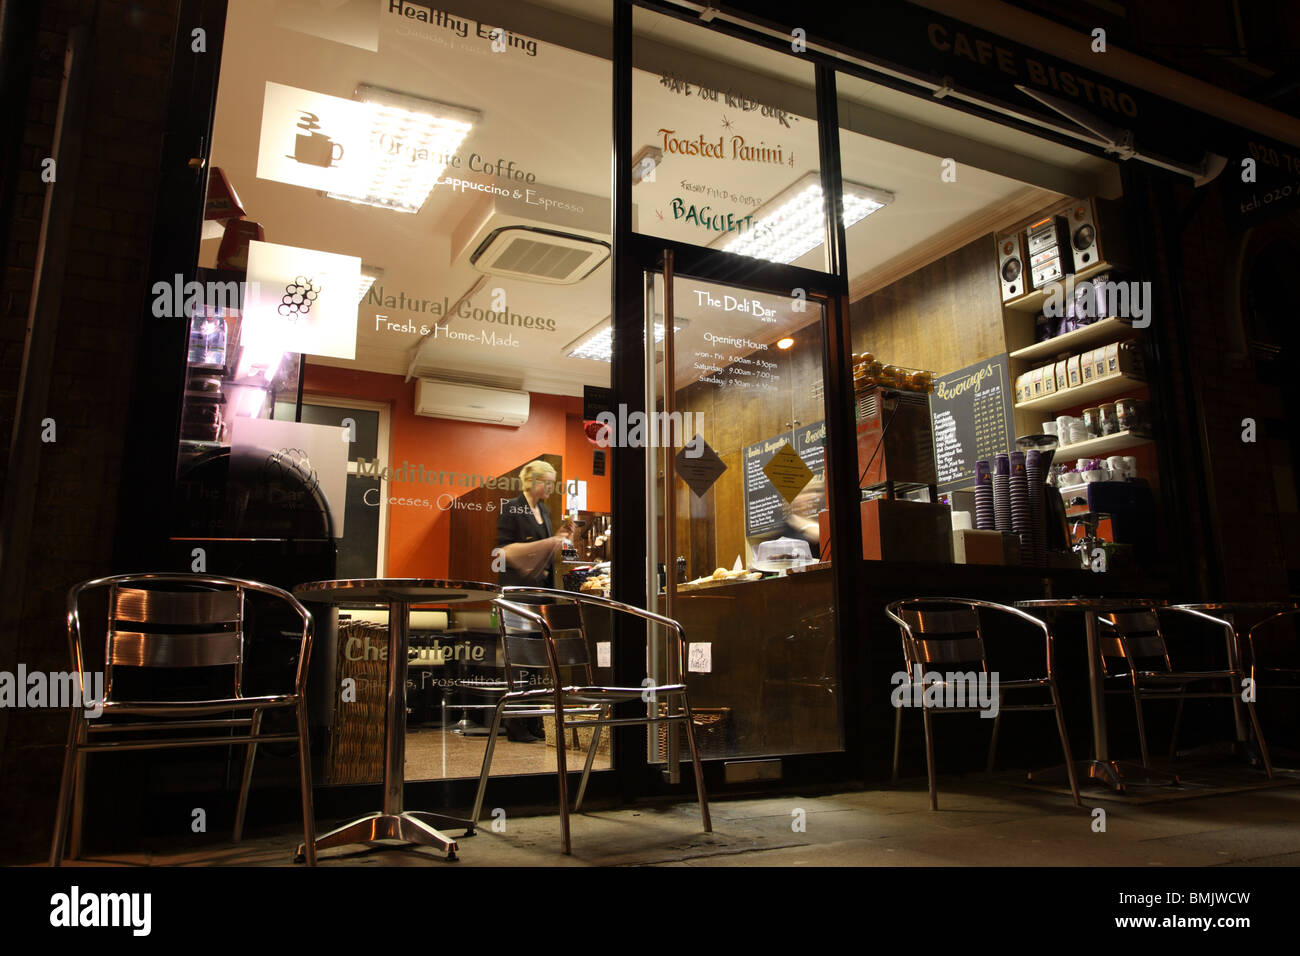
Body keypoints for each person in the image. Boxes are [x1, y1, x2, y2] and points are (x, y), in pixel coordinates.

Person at [493, 460, 576, 742]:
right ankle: (515, 724)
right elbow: (503, 551)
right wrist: (548, 543)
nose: (551, 488)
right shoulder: (512, 507)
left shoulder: (544, 511)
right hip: (517, 593)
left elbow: (547, 551)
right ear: (534, 481)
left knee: (537, 658)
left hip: (540, 592)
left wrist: (561, 539)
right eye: (548, 482)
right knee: (519, 659)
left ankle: (533, 721)